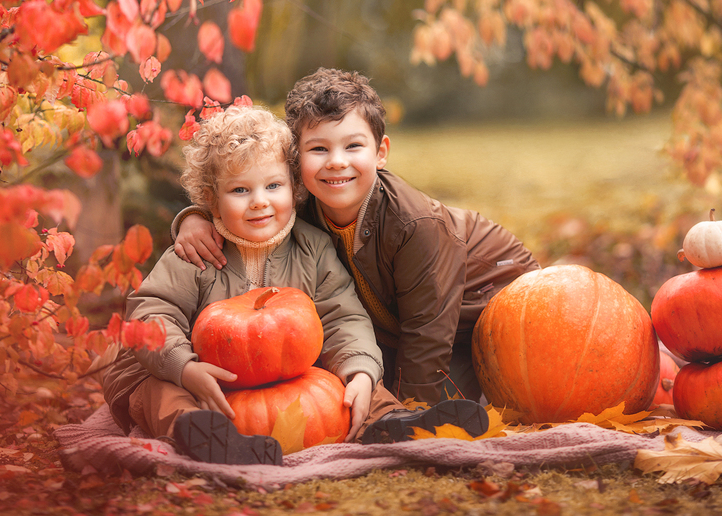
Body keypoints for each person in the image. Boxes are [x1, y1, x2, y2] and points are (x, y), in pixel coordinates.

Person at [102, 105, 488, 466]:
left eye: (273, 186)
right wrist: (184, 368)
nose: (259, 202)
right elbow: (151, 314)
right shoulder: (195, 254)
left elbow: (342, 316)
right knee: (158, 391)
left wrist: (359, 371)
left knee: (348, 386)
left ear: (294, 187)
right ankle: (201, 436)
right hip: (197, 374)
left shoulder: (313, 247)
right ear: (211, 200)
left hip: (278, 373)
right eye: (240, 191)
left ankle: (395, 422)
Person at [173, 70, 541, 406]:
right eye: (319, 149)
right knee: (358, 376)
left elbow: (427, 337)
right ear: (295, 161)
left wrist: (409, 415)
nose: (336, 162)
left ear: (380, 153)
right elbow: (247, 205)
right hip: (401, 325)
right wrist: (196, 218)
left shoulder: (415, 226)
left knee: (445, 394)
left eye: (353, 147)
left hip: (487, 308)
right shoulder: (303, 206)